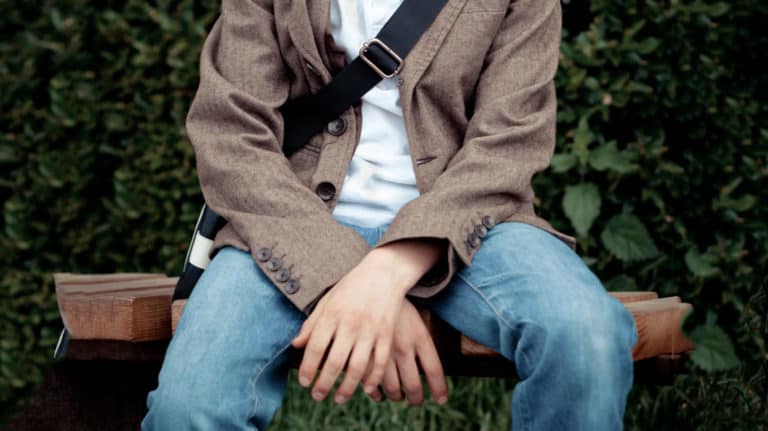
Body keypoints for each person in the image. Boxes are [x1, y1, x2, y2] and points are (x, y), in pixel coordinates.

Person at [141, 0, 638, 429]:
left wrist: (387, 270)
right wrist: (344, 273)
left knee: (587, 336)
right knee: (188, 407)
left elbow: (509, 147)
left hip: (469, 221)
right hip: (292, 219)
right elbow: (231, 135)